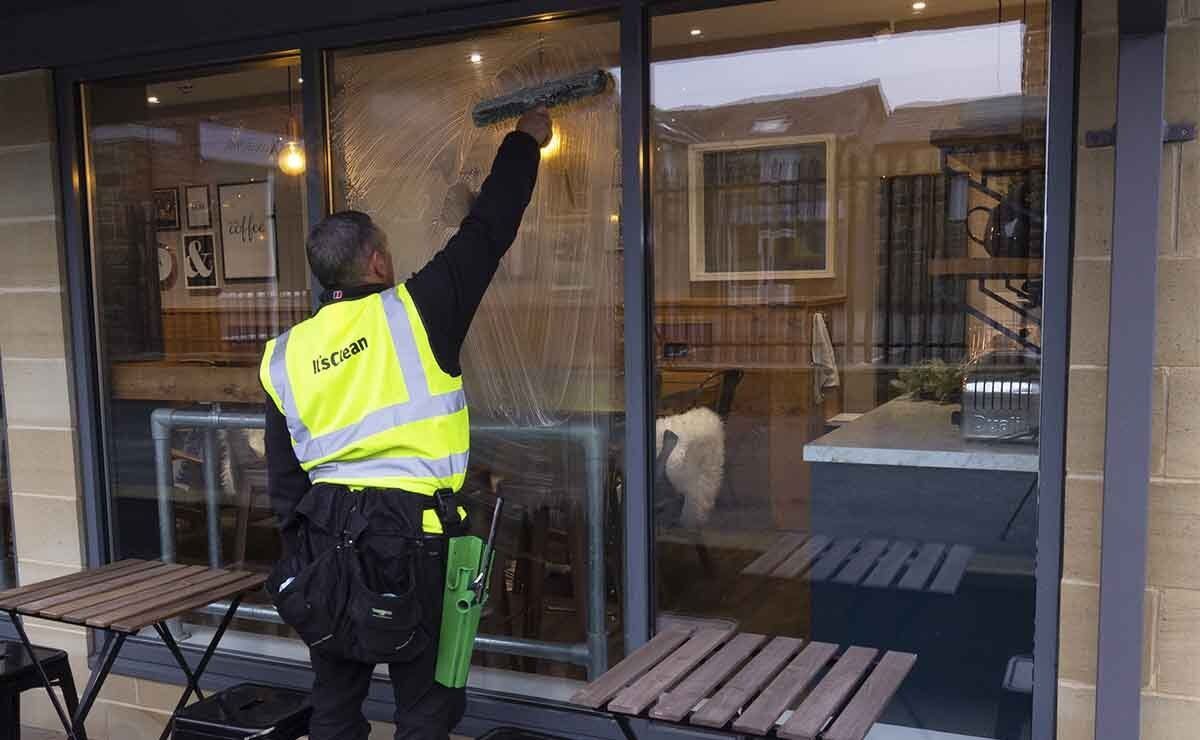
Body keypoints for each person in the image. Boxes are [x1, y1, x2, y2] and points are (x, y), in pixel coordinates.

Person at [260, 107, 552, 740]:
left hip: (325, 540)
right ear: (379, 263)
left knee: (335, 705)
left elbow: (283, 481)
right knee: (426, 708)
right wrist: (526, 139)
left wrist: (302, 550)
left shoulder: (285, 354)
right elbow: (489, 226)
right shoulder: (419, 311)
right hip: (420, 540)